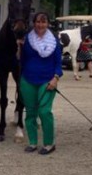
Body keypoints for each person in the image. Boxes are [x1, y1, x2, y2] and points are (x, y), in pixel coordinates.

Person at [18, 12, 62, 155]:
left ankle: (49, 143)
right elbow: (21, 60)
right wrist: (18, 48)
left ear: (48, 24)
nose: (40, 25)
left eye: (43, 22)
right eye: (38, 22)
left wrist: (55, 78)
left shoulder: (54, 41)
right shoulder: (27, 40)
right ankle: (32, 142)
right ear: (34, 23)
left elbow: (58, 63)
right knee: (30, 113)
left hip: (47, 81)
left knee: (44, 111)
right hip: (28, 80)